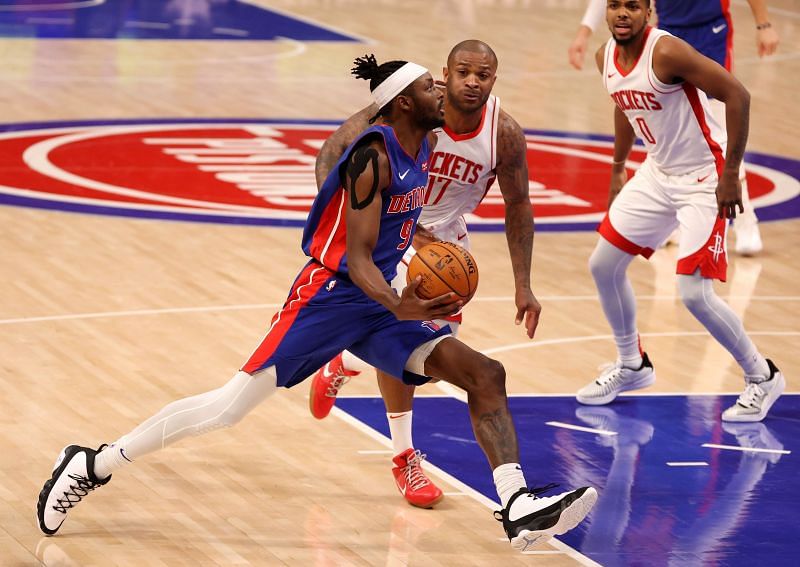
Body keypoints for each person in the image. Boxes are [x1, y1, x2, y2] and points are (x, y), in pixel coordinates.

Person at [36, 54, 597, 552]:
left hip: (376, 301)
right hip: (330, 298)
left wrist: (415, 278)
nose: (442, 91)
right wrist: (402, 304)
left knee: (485, 373)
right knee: (227, 408)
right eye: (431, 86)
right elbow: (356, 259)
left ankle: (517, 505)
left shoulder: (423, 143)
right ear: (405, 102)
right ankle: (93, 463)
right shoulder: (370, 160)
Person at [307, 39, 541, 509]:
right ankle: (404, 456)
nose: (472, 82)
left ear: (494, 80)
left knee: (429, 363)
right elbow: (332, 154)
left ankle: (344, 363)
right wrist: (351, 228)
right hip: (391, 235)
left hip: (444, 246)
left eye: (483, 75)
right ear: (445, 74)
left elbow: (518, 204)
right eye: (463, 72)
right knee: (414, 346)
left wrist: (524, 285)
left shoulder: (504, 134)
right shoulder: (407, 106)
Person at [574, 0, 785, 423]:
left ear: (648, 12)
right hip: (657, 173)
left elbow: (737, 94)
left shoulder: (667, 52)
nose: (620, 13)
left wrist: (729, 175)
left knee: (693, 292)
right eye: (614, 4)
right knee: (603, 264)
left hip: (703, 179)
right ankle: (631, 363)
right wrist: (618, 168)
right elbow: (622, 103)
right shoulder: (606, 57)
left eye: (632, 6)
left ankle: (762, 375)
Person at [568, 0, 780, 256]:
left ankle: (745, 222)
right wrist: (584, 31)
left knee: (718, 127)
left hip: (709, 31)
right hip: (668, 32)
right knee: (661, 123)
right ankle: (674, 217)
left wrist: (763, 23)